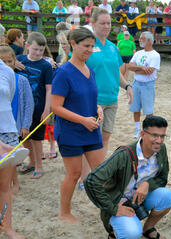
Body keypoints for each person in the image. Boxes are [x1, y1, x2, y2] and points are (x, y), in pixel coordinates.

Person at [84, 116, 171, 239]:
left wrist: (147, 184)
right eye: (154, 135)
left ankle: (147, 228)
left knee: (168, 196)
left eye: (162, 136)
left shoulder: (161, 149)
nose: (159, 141)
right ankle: (114, 231)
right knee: (130, 235)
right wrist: (114, 209)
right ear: (142, 134)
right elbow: (91, 180)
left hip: (140, 198)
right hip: (119, 201)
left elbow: (162, 178)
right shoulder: (124, 154)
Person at [51, 28, 104, 224]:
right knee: (73, 175)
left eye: (92, 46)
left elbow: (88, 97)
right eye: (86, 46)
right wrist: (82, 120)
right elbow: (55, 107)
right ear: (73, 45)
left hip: (91, 129)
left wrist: (97, 108)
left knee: (101, 172)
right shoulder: (63, 72)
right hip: (70, 131)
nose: (90, 50)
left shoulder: (89, 70)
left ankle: (106, 207)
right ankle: (64, 212)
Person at [87, 8, 133, 161]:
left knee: (105, 138)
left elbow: (115, 72)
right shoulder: (86, 45)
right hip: (93, 101)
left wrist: (127, 86)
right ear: (93, 23)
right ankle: (85, 178)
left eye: (109, 23)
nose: (107, 26)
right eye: (102, 23)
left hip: (112, 100)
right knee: (91, 141)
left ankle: (98, 169)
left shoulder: (113, 47)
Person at [16, 32, 53, 179]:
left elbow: (49, 89)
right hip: (21, 108)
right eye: (35, 49)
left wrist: (47, 110)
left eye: (41, 50)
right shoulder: (19, 60)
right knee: (24, 137)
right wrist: (12, 63)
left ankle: (39, 165)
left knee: (37, 138)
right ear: (27, 46)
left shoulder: (45, 66)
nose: (38, 53)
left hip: (38, 107)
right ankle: (31, 162)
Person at [0, 57, 28, 239]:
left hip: (6, 130)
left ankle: (7, 227)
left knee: (4, 185)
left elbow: (8, 100)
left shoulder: (6, 70)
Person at [127, 32, 160, 138]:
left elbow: (150, 72)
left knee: (148, 110)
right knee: (135, 108)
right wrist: (141, 68)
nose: (139, 40)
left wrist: (136, 69)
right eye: (140, 38)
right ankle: (137, 129)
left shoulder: (155, 55)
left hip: (148, 85)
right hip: (136, 83)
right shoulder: (138, 53)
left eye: (142, 38)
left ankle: (148, 130)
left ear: (149, 40)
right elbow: (129, 67)